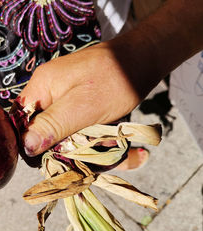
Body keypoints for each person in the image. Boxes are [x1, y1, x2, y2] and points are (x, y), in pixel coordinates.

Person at [18, 0, 203, 163]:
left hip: (97, 26)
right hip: (8, 65)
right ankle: (110, 153)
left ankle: (110, 150)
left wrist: (149, 50)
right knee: (101, 122)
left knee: (105, 97)